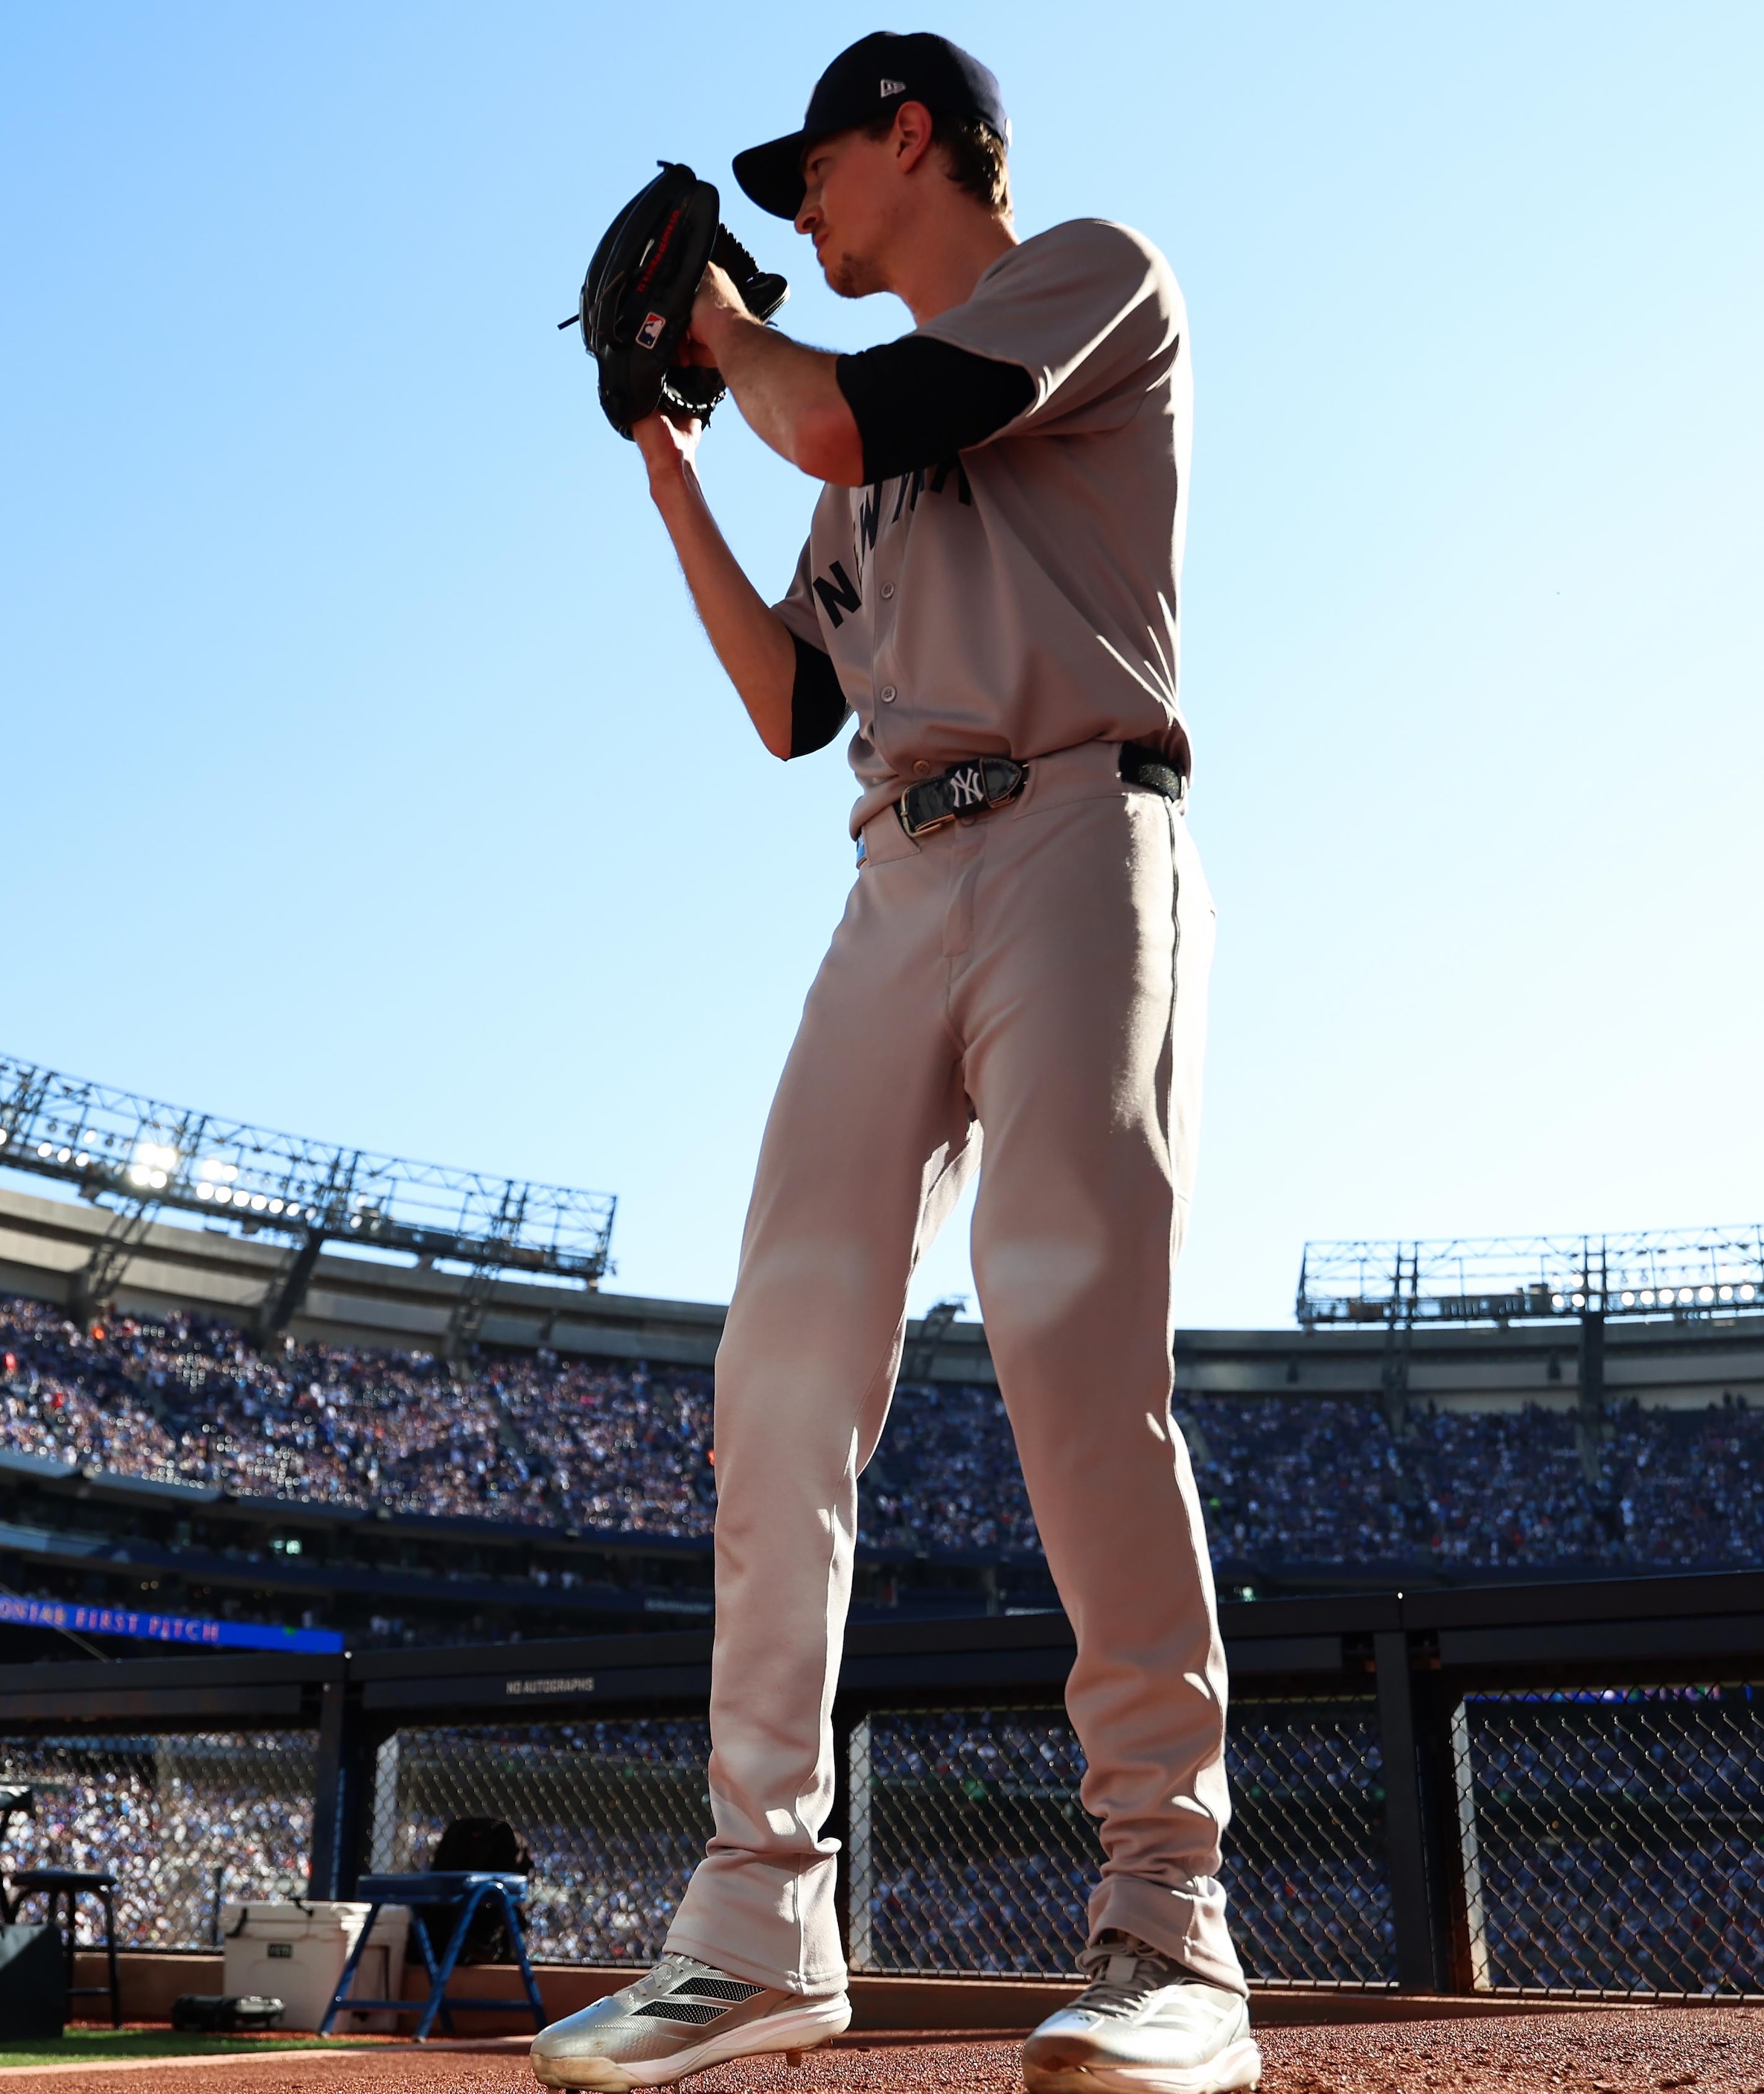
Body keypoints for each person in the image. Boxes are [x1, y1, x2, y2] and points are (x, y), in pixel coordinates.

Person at [533, 32, 1248, 2094]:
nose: (802, 211)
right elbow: (789, 700)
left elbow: (858, 405)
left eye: (817, 172)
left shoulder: (1091, 273)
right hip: (894, 871)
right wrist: (671, 462)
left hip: (1080, 830)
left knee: (1062, 1312)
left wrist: (722, 326)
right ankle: (759, 1917)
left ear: (911, 133)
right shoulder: (844, 444)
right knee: (780, 1358)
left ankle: (1168, 1913)